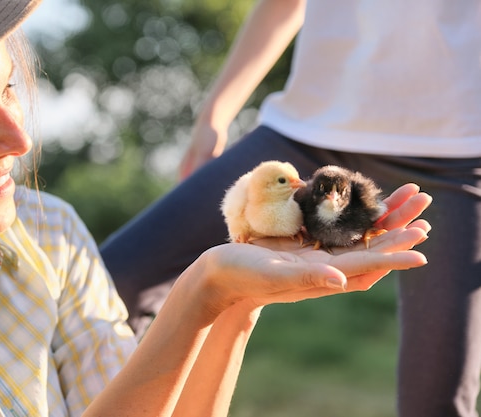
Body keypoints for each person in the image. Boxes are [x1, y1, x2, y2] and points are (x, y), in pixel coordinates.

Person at [0, 1, 431, 416]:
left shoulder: (49, 233)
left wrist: (231, 304)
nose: (18, 139)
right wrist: (194, 297)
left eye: (8, 90)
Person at [99, 0, 481, 416]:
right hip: (302, 131)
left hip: (456, 147)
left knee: (437, 400)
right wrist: (215, 115)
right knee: (109, 286)